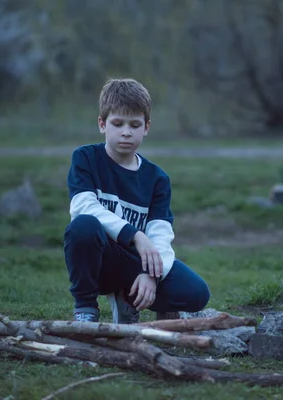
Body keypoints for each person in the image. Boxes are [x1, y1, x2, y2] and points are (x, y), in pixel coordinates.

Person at [63, 77, 211, 324]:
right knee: (83, 226)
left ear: (146, 127)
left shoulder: (156, 178)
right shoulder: (86, 158)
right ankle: (86, 309)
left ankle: (129, 300)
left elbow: (161, 231)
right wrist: (135, 235)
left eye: (134, 124)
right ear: (102, 124)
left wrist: (151, 274)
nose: (126, 132)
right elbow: (82, 206)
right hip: (99, 260)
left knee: (196, 292)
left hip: (135, 263)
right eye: (117, 123)